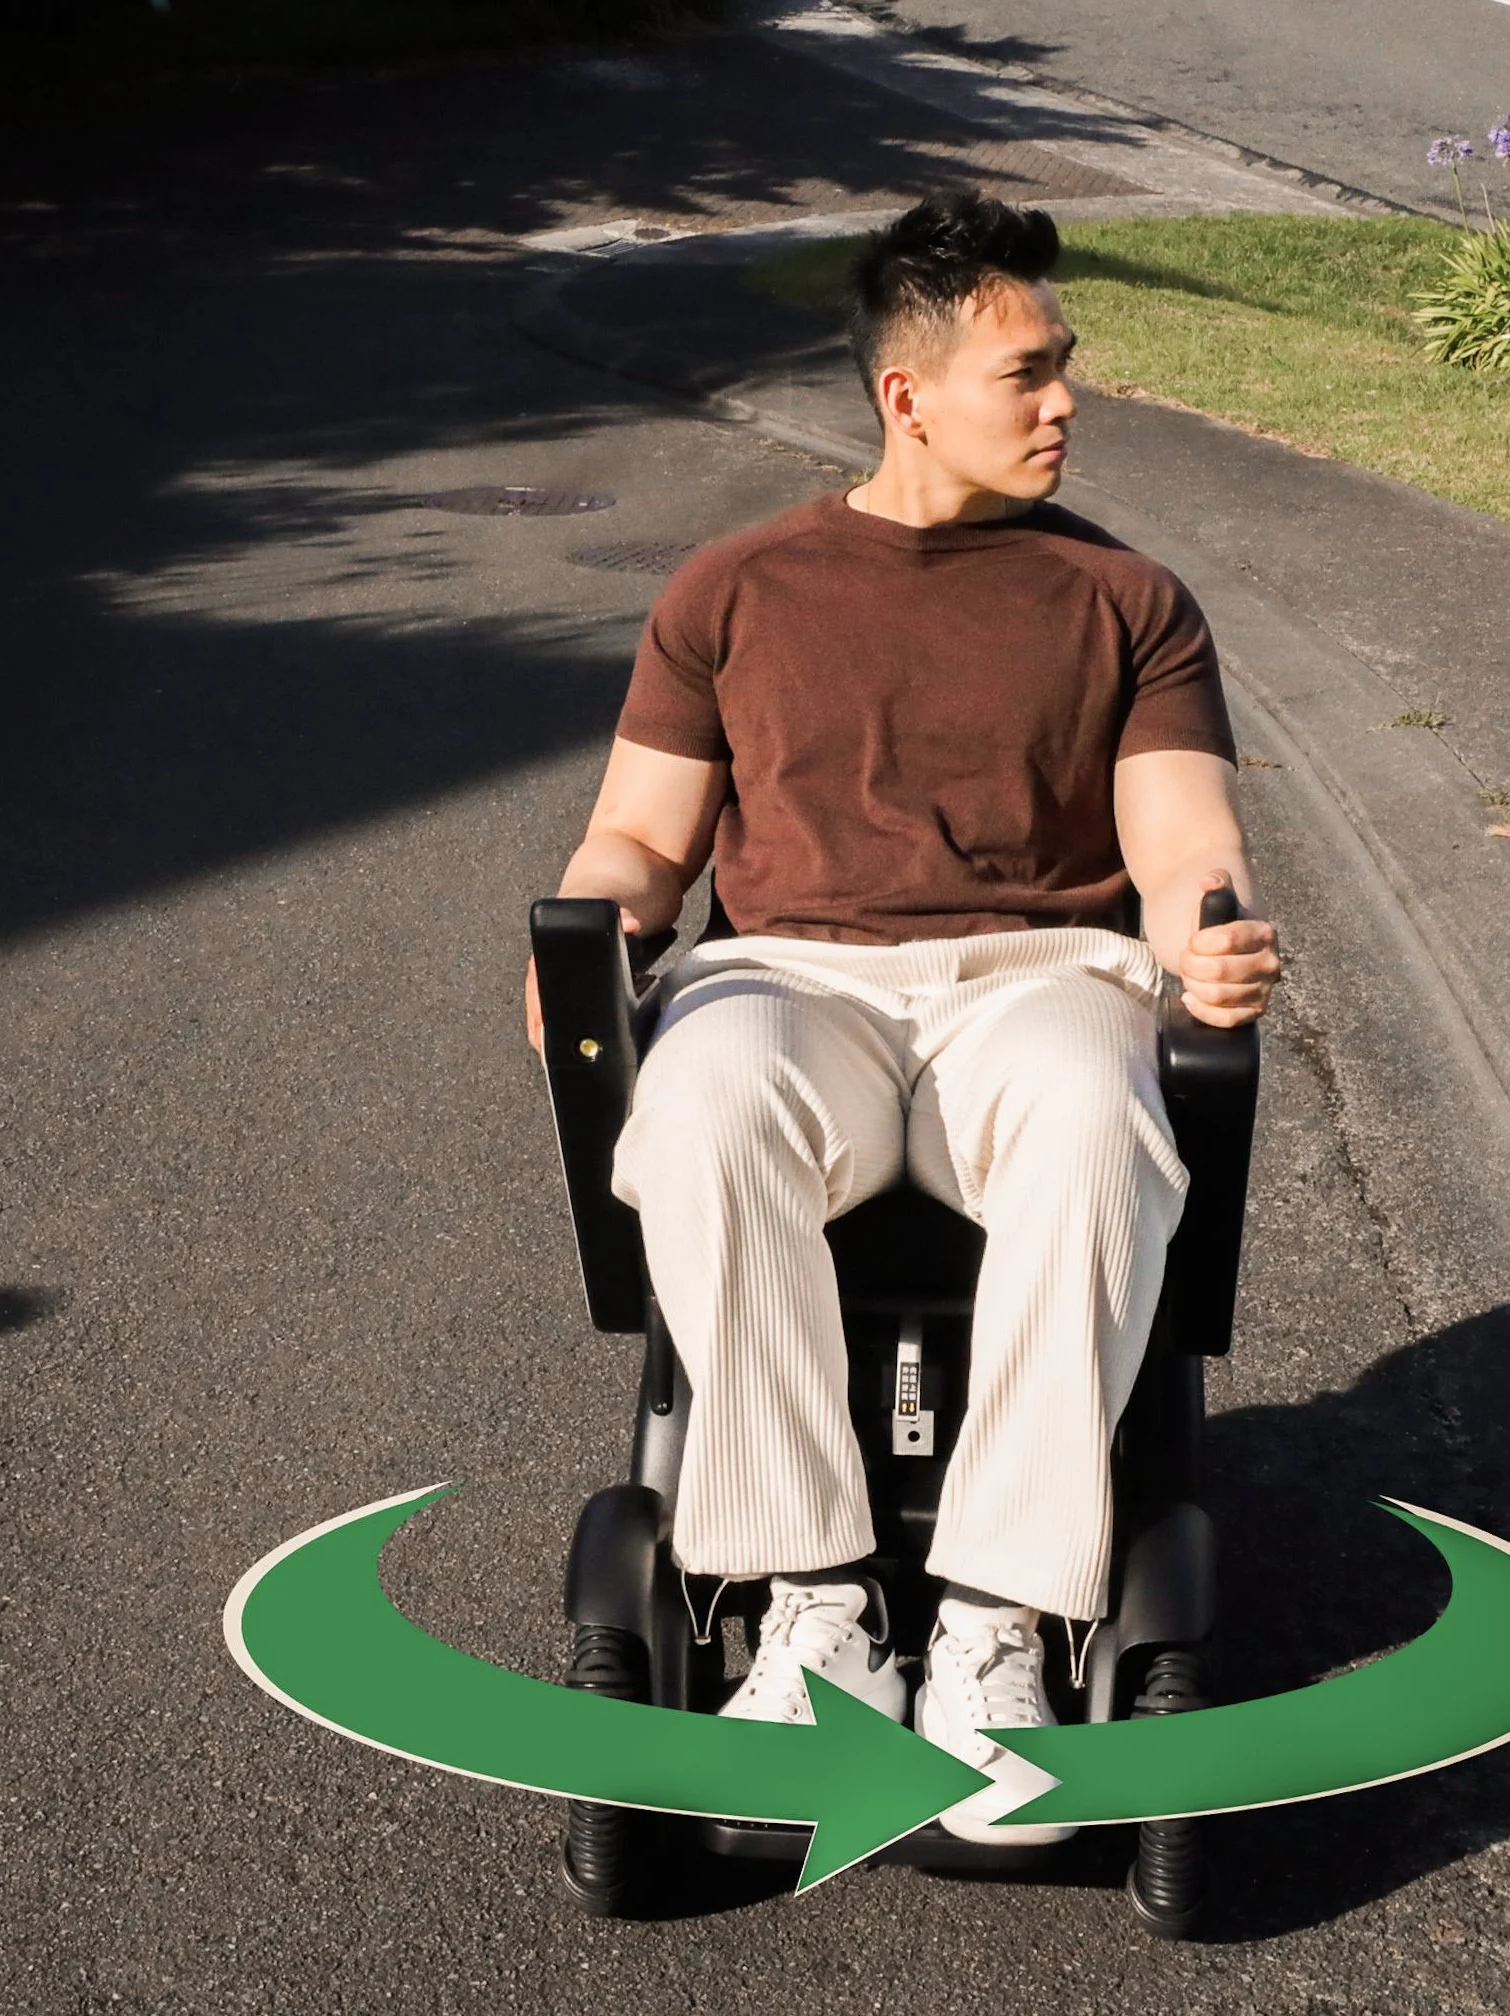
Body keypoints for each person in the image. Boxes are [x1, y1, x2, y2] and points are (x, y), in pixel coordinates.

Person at [525, 189, 1279, 1846]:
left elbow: (1181, 840)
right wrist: (593, 930)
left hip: (1041, 981)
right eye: (1031, 372)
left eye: (1065, 366)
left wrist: (1201, 930)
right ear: (908, 392)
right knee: (704, 1104)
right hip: (796, 983)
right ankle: (817, 1612)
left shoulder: (1128, 602)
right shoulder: (737, 589)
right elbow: (644, 836)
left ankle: (1000, 1630)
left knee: (1096, 1110)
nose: (1068, 399)